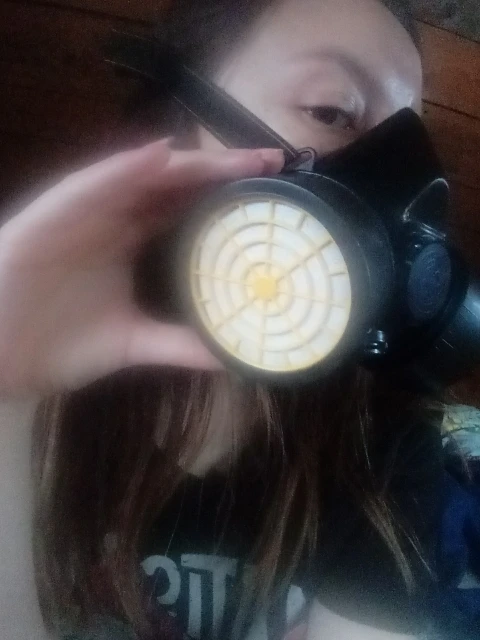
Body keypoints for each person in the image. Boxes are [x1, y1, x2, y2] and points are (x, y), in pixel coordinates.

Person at [0, 0, 445, 639]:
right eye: (332, 111)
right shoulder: (35, 383)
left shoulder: (386, 445)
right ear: (180, 115)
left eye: (409, 137)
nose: (392, 178)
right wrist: (7, 396)